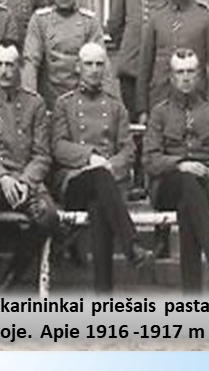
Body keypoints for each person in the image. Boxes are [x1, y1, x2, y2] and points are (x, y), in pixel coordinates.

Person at [51, 43, 153, 292]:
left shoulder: (116, 106)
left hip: (107, 184)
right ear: (78, 67)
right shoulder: (65, 104)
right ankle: (132, 246)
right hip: (75, 182)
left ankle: (103, 295)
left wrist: (109, 165)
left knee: (99, 207)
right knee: (99, 180)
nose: (94, 70)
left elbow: (129, 150)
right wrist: (90, 157)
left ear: (106, 68)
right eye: (88, 64)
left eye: (99, 64)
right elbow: (58, 146)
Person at [143, 49, 209, 292]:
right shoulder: (160, 112)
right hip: (167, 187)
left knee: (188, 206)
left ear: (199, 75)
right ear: (171, 77)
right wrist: (179, 164)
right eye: (180, 72)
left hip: (201, 188)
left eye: (190, 71)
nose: (185, 77)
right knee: (186, 181)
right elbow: (150, 160)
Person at [0, 39, 57, 291]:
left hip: (26, 179)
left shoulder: (35, 104)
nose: (4, 71)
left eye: (10, 64)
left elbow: (42, 154)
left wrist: (25, 181)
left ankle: (12, 276)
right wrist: (3, 177)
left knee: (48, 216)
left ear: (19, 67)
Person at [21, 0, 113, 109]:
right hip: (48, 99)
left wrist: (107, 104)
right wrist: (30, 103)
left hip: (81, 101)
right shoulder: (40, 21)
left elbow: (101, 64)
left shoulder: (89, 22)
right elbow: (31, 63)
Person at [107, 0, 169, 120]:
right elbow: (114, 25)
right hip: (131, 68)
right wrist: (130, 44)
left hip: (160, 69)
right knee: (134, 122)